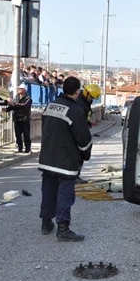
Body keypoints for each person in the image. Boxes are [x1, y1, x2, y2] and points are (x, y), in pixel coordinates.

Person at [38, 76, 92, 242]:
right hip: (66, 161)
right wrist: (85, 154)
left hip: (47, 158)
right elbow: (83, 138)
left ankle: (46, 223)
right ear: (77, 91)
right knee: (65, 195)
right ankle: (63, 228)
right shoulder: (75, 111)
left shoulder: (50, 106)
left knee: (48, 191)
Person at [5, 83, 33, 153]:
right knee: (18, 135)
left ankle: (28, 148)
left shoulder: (28, 98)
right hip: (17, 118)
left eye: (20, 89)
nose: (19, 90)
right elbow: (12, 106)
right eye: (18, 89)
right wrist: (7, 109)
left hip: (24, 119)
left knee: (26, 134)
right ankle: (20, 148)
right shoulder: (16, 97)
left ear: (24, 90)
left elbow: (24, 105)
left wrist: (14, 104)